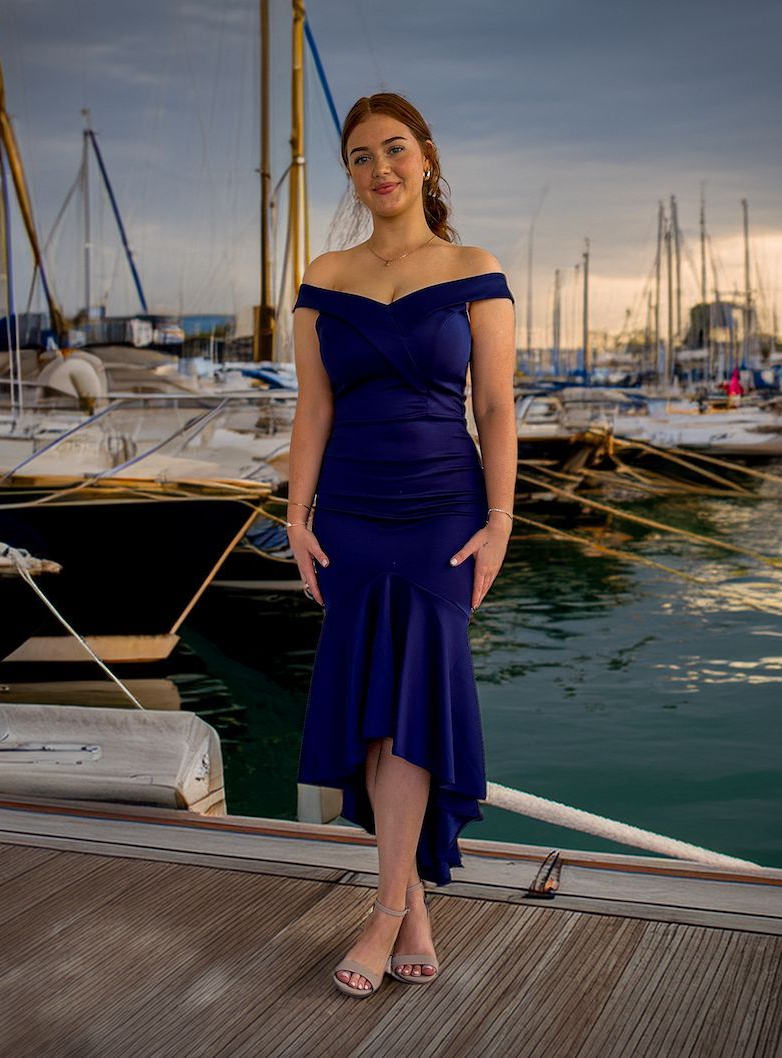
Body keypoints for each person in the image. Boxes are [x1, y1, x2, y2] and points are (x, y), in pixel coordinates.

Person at [287, 91, 517, 998]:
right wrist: (298, 519)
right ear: (350, 175)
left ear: (424, 157)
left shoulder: (472, 267)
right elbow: (312, 409)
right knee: (373, 712)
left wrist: (500, 520)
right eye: (358, 158)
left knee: (415, 704)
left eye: (392, 150)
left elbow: (495, 407)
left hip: (441, 513)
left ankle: (383, 913)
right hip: (348, 511)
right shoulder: (325, 275)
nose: (378, 169)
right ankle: (409, 906)